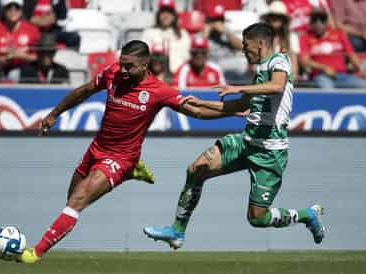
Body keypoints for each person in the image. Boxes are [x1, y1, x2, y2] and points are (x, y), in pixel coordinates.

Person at [17, 40, 212, 263]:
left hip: (122, 158)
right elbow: (84, 91)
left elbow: (196, 111)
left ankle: (35, 253)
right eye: (121, 64)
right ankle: (133, 173)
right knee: (71, 199)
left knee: (77, 201)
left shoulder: (159, 91)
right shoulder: (113, 73)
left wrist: (228, 111)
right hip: (97, 148)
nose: (123, 70)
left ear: (145, 64)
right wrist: (54, 113)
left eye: (129, 66)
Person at [143, 23, 325, 250]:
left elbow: (277, 87)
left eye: (246, 46)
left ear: (260, 44)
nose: (243, 51)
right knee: (196, 168)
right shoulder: (261, 70)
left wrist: (239, 88)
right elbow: (238, 105)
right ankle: (177, 231)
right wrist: (202, 104)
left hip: (270, 152)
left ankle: (307, 215)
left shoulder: (279, 61)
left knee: (257, 218)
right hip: (246, 141)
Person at [299, 9, 366, 88]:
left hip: (343, 75)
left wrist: (361, 69)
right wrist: (324, 68)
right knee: (327, 89)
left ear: (327, 22)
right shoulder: (305, 38)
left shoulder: (339, 35)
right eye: (314, 20)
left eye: (322, 19)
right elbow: (304, 61)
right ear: (310, 23)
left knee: (363, 85)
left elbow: (351, 55)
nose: (318, 23)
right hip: (322, 76)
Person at [0, 0, 40, 74]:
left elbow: (37, 57)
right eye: (9, 7)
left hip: (24, 71)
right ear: (3, 9)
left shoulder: (32, 30)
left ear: (21, 10)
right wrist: (6, 58)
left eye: (17, 7)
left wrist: (20, 56)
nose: (13, 10)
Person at [202, 4, 250, 83]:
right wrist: (206, 34)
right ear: (209, 21)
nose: (218, 23)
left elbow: (243, 46)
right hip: (212, 70)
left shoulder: (228, 34)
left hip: (231, 70)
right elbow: (198, 52)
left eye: (221, 20)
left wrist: (226, 32)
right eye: (215, 20)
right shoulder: (204, 36)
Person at [141, 0, 191, 73]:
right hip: (155, 75)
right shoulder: (149, 32)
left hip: (178, 75)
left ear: (174, 15)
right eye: (163, 12)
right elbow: (143, 57)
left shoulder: (183, 34)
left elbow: (188, 58)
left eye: (169, 12)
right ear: (158, 14)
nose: (166, 15)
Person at [261, 1, 300, 80]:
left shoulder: (291, 37)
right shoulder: (262, 37)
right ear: (268, 19)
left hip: (285, 80)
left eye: (279, 17)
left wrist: (290, 79)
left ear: (283, 20)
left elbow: (294, 64)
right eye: (273, 16)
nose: (275, 19)